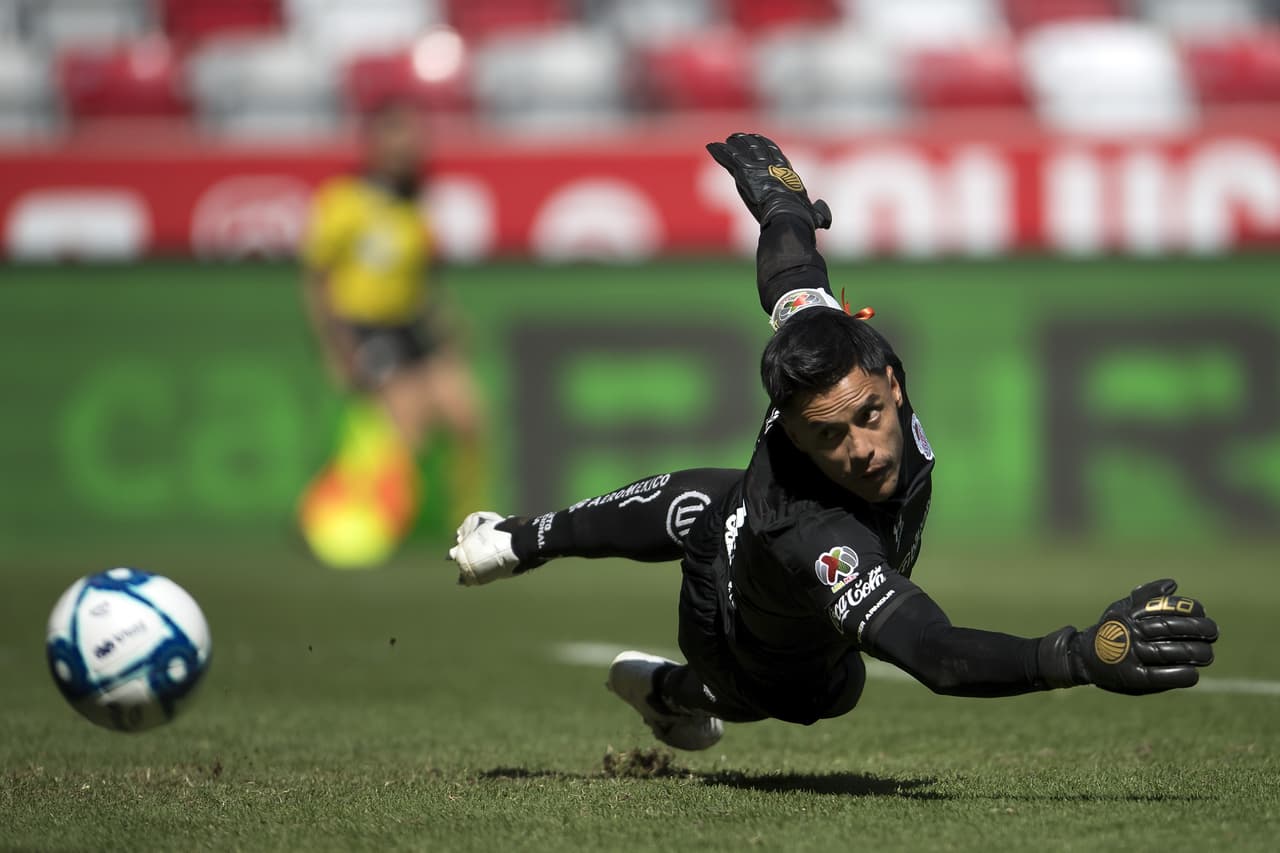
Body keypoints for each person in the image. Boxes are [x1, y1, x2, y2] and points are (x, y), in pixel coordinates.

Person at [446, 133, 1219, 750]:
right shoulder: (820, 533)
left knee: (714, 501)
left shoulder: (837, 349)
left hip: (743, 525)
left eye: (869, 416)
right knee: (827, 686)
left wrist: (780, 204)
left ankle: (524, 549)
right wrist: (1077, 654)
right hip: (742, 635)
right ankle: (672, 688)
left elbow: (791, 278)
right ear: (790, 427)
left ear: (889, 374)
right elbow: (936, 654)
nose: (864, 448)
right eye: (827, 436)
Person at [298, 99, 483, 566]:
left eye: (412, 139)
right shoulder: (344, 200)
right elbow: (318, 280)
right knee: (409, 432)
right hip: (367, 324)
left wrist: (446, 326)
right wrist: (337, 349)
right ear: (375, 145)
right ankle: (361, 518)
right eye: (396, 139)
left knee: (468, 420)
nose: (407, 149)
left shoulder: (415, 204)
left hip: (413, 322)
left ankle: (471, 524)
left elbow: (421, 280)